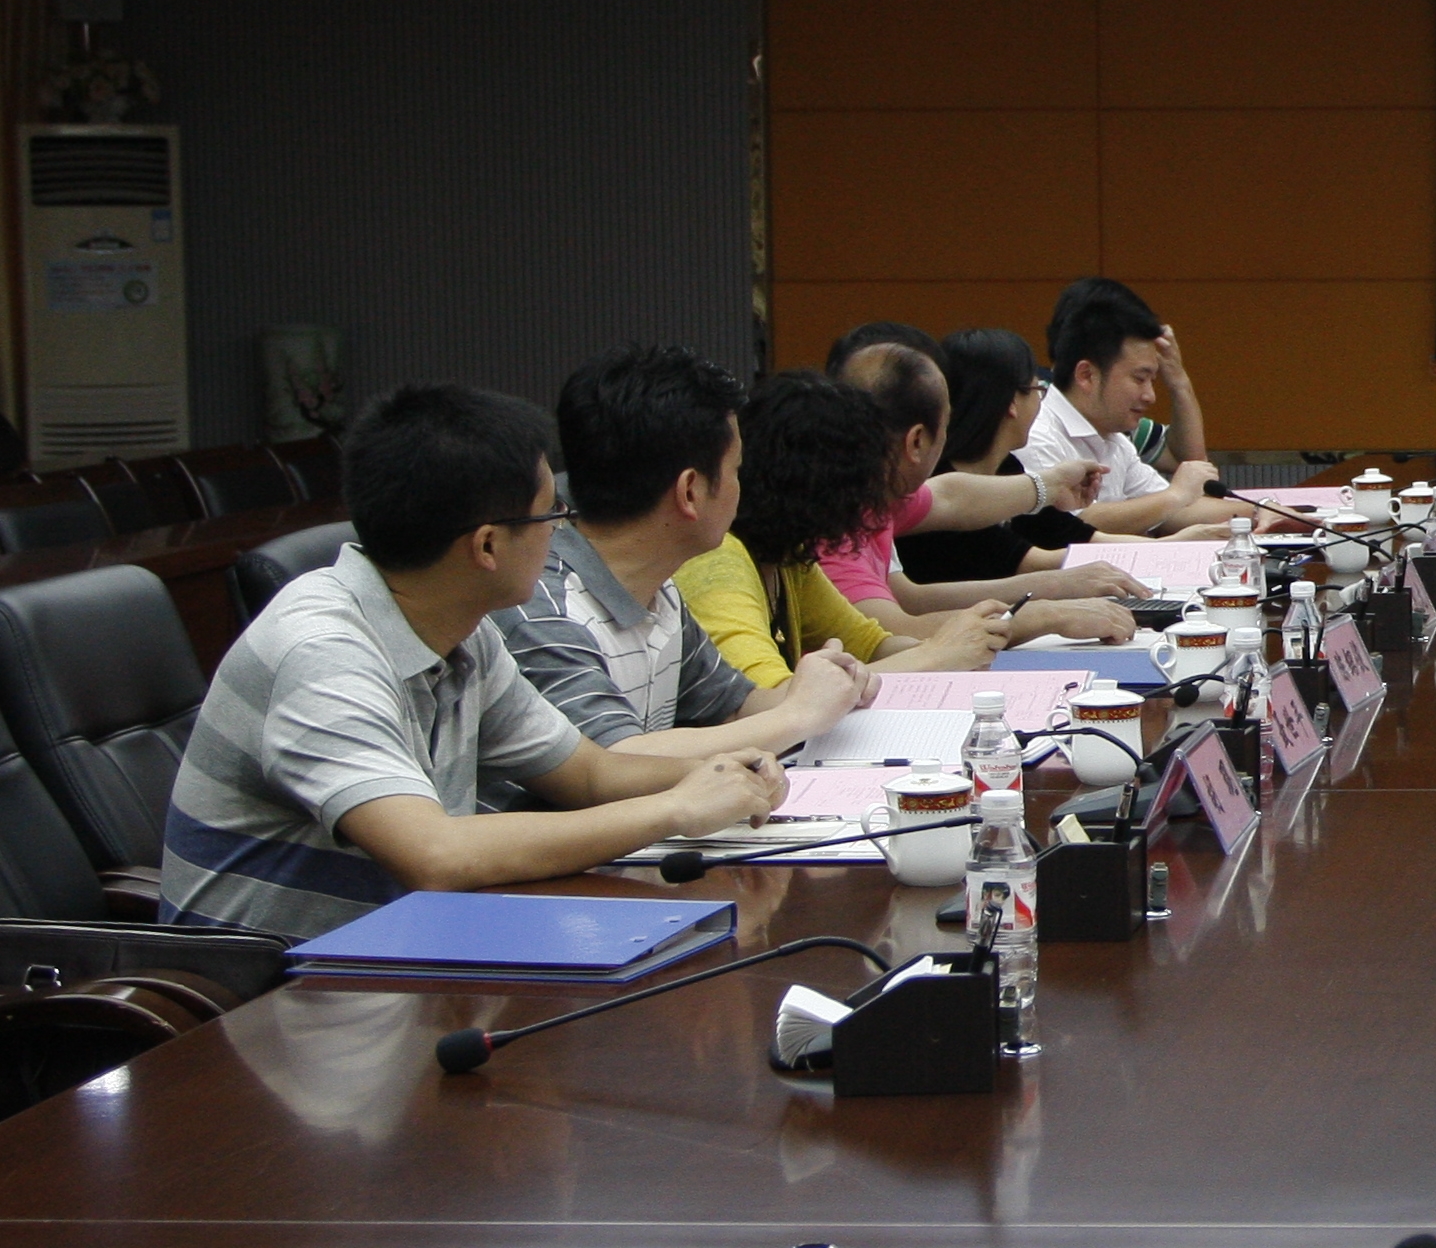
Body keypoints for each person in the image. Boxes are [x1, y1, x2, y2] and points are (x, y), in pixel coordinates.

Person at [161, 385, 783, 937]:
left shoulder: (463, 629)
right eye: (552, 514)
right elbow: (435, 856)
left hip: (406, 946)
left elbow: (588, 774)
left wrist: (719, 773)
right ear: (487, 545)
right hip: (271, 990)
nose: (562, 531)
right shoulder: (322, 652)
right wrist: (675, 809)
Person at [485, 345, 880, 807]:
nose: (741, 486)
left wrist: (827, 688)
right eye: (735, 470)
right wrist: (797, 714)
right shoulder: (541, 604)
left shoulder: (659, 584)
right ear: (690, 491)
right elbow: (612, 762)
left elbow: (731, 707)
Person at [678, 372, 1004, 688]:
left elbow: (869, 644)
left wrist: (950, 646)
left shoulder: (787, 556)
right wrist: (933, 655)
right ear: (828, 488)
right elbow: (773, 697)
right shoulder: (719, 563)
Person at [824, 334, 1142, 639]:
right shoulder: (832, 530)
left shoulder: (868, 497)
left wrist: (1051, 485)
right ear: (917, 441)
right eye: (946, 423)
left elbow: (948, 499)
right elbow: (894, 632)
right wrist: (1046, 614)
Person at [1014, 278, 1259, 536]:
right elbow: (1071, 526)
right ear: (1087, 375)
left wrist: (1260, 510)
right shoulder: (1036, 434)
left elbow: (1176, 511)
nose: (1150, 396)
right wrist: (1175, 495)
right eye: (1140, 379)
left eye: (1152, 381)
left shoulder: (1116, 440)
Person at [897, 326, 1130, 585]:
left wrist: (1165, 547)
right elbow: (1029, 562)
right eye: (1037, 389)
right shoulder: (936, 479)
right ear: (1012, 402)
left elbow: (1079, 537)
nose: (1040, 402)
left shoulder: (1009, 466)